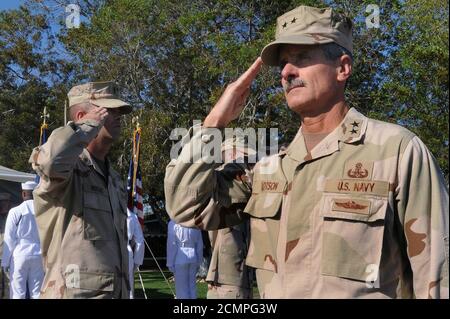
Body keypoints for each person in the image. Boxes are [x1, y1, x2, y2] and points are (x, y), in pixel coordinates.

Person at [165, 5, 449, 298]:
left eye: (301, 57)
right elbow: (186, 205)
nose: (287, 72)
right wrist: (214, 123)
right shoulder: (267, 168)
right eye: (284, 63)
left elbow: (437, 273)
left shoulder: (398, 151)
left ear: (342, 67)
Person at [29, 81, 133, 299]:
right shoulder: (69, 170)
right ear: (82, 117)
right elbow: (50, 161)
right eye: (108, 111)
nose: (117, 117)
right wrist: (87, 127)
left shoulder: (113, 179)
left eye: (118, 112)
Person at [1, 181, 44, 299]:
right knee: (37, 292)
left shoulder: (15, 211)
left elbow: (9, 239)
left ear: (23, 194)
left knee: (17, 292)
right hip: (38, 253)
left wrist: (5, 262)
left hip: (20, 254)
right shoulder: (43, 211)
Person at [166, 219, 203, 299]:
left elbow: (172, 245)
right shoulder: (195, 223)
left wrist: (170, 262)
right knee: (192, 287)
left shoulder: (173, 223)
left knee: (181, 289)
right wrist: (199, 261)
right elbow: (199, 244)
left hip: (180, 256)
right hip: (193, 256)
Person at [127, 209, 145, 299]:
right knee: (128, 289)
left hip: (108, 251)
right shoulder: (132, 216)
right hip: (127, 252)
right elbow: (139, 241)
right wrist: (136, 262)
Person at [0, 192, 12, 299]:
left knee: (9, 284)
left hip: (9, 257)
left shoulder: (13, 216)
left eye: (6, 202)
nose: (4, 204)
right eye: (1, 202)